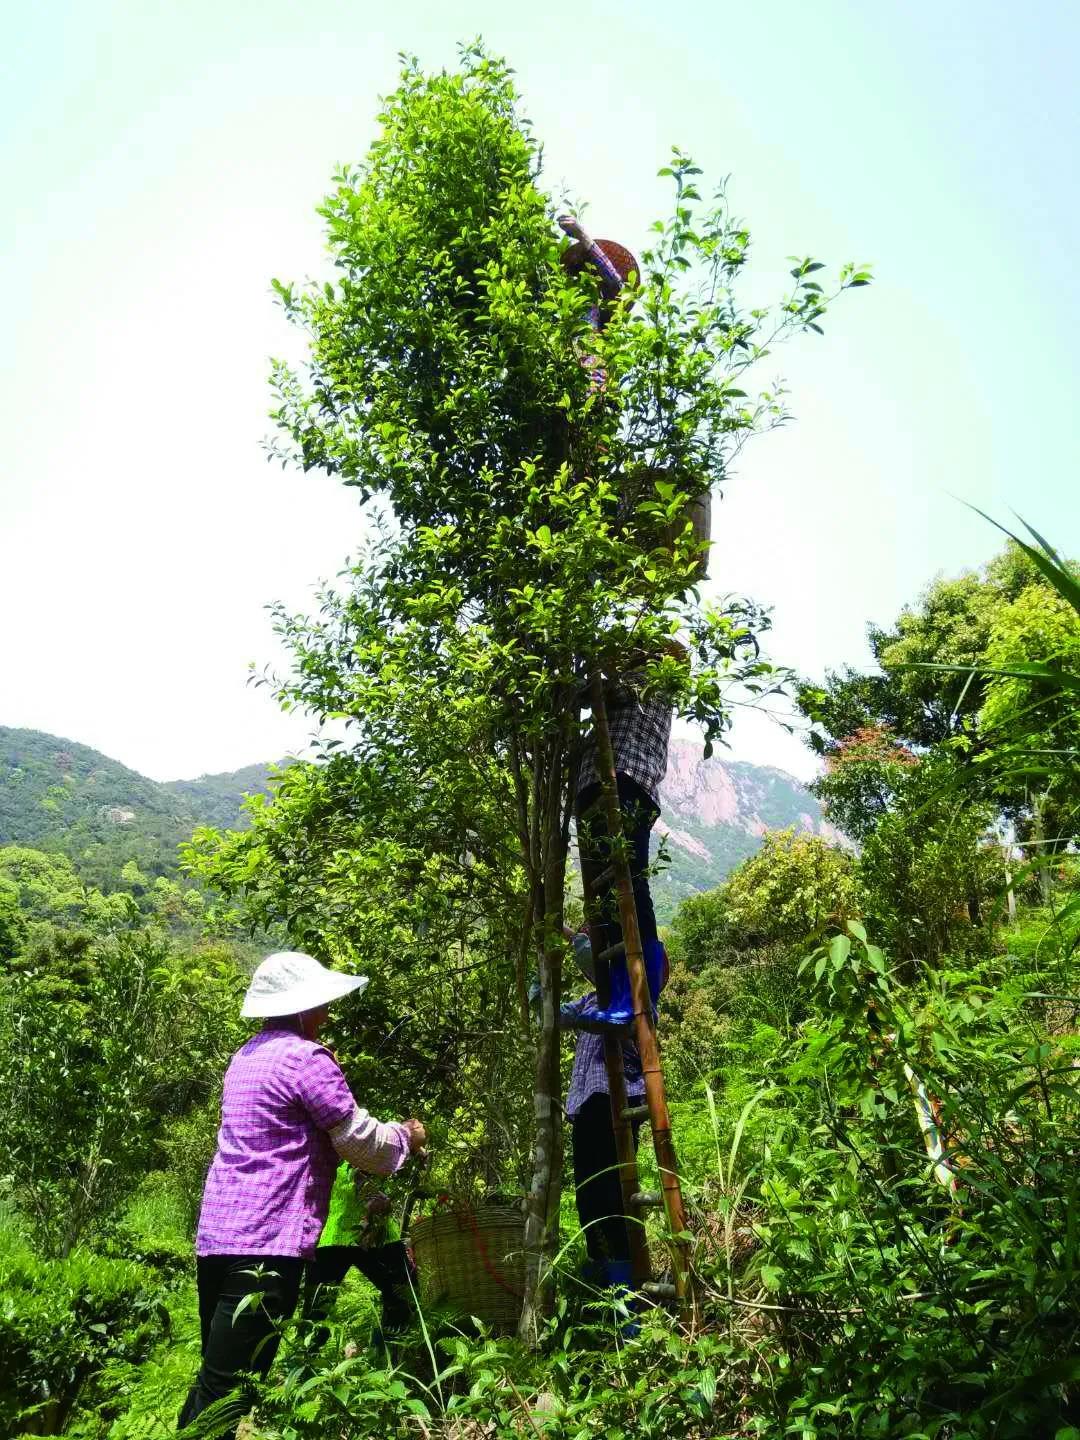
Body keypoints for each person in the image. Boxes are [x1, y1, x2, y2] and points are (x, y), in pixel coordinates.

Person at [177, 950, 426, 1438]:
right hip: (266, 1243)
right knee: (227, 1396)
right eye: (323, 1004)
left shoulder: (245, 1058)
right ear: (306, 1008)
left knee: (214, 1380)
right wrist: (407, 1136)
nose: (327, 1013)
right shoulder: (306, 1059)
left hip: (218, 1238)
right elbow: (358, 1140)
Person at [561, 926, 669, 1294]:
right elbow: (561, 1013)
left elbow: (623, 1030)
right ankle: (604, 1281)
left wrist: (575, 939)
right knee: (588, 1196)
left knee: (611, 1195)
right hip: (587, 1105)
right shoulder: (592, 998)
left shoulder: (636, 997)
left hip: (615, 1100)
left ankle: (624, 1289)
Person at [571, 664, 673, 1027]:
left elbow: (597, 693)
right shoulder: (633, 684)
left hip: (625, 783)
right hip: (598, 787)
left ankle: (639, 995)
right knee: (606, 901)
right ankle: (618, 993)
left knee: (629, 884)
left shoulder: (652, 683)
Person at [300, 1161, 418, 1349]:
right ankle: (303, 1366)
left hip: (375, 1232)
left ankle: (388, 1358)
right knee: (315, 1312)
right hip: (334, 1232)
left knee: (401, 1297)